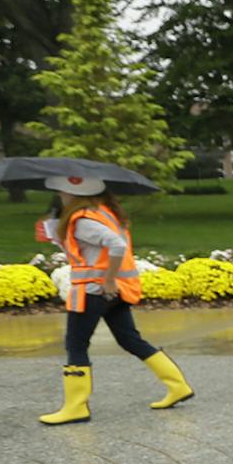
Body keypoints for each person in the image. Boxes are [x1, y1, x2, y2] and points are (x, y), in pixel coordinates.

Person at [35, 172, 193, 424]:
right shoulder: (104, 212)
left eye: (62, 192)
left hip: (93, 291)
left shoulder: (83, 219)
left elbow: (116, 245)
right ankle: (178, 386)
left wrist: (107, 280)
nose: (59, 195)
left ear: (74, 193)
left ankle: (76, 407)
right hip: (113, 291)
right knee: (129, 339)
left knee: (76, 346)